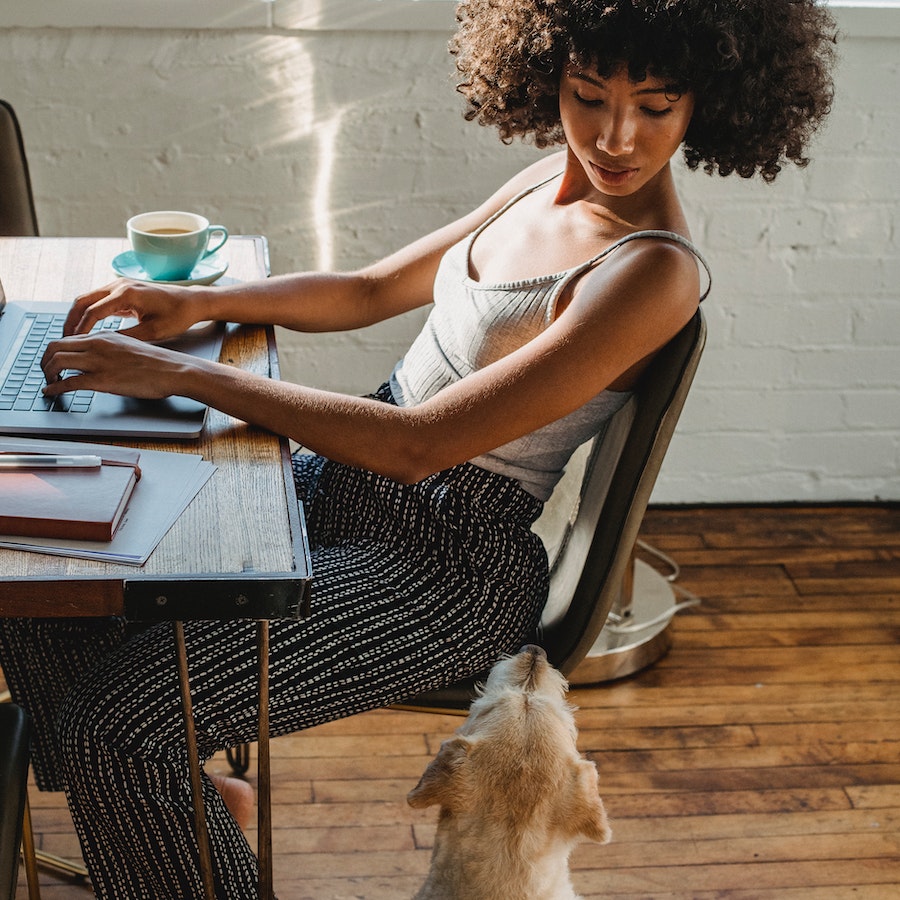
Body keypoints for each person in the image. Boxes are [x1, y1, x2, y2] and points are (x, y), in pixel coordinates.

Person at [0, 1, 836, 896]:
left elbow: (419, 445)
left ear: (710, 101)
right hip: (347, 485)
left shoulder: (652, 272)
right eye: (588, 95)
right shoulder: (540, 178)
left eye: (656, 107)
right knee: (44, 581)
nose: (615, 135)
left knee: (115, 727)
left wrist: (186, 376)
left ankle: (172, 812)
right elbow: (366, 290)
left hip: (447, 564)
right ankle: (192, 809)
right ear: (546, 73)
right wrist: (205, 307)